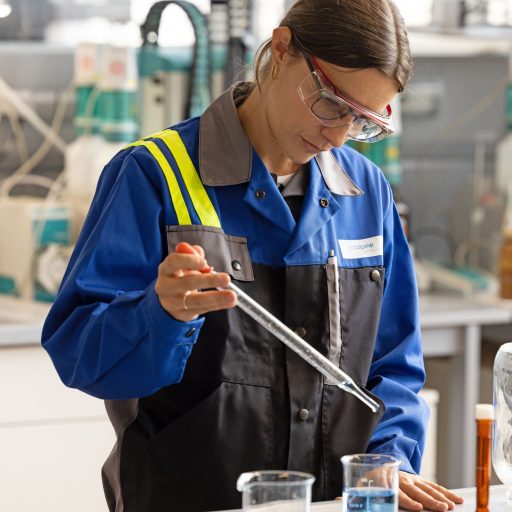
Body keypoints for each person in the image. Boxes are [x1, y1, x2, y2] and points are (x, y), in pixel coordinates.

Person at [42, 0, 465, 510]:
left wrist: (389, 460)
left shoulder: (365, 191)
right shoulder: (151, 176)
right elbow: (82, 356)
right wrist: (161, 314)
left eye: (362, 121)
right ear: (282, 49)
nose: (337, 135)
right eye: (332, 103)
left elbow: (395, 367)